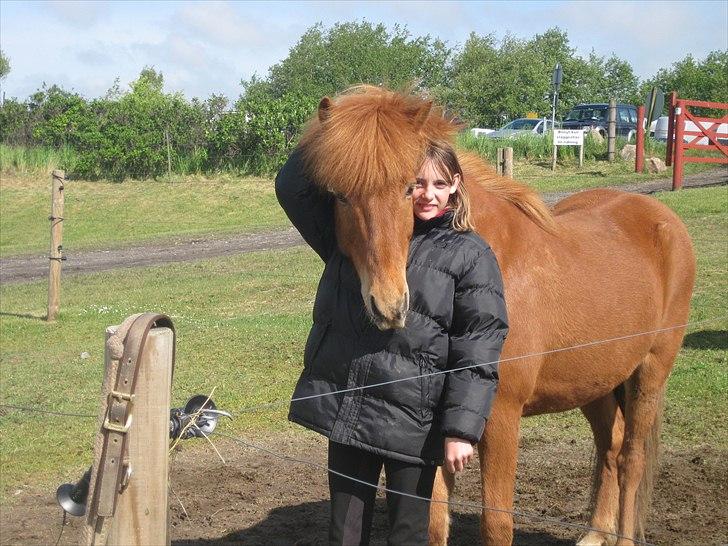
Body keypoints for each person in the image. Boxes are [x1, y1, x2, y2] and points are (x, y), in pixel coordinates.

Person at [275, 140, 508, 545]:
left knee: (407, 535)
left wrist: (462, 430)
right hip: (352, 412)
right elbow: (292, 186)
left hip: (414, 424)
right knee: (344, 534)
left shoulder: (470, 255)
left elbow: (478, 346)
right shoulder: (358, 233)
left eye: (439, 184)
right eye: (417, 183)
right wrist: (350, 130)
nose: (427, 194)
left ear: (456, 185)